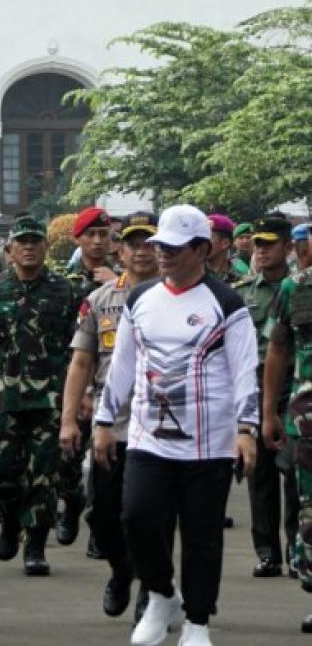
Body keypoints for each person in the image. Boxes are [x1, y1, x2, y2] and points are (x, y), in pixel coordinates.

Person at [94, 204, 258, 646]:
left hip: (210, 445)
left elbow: (246, 370)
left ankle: (197, 622)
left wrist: (246, 429)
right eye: (158, 246)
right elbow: (123, 366)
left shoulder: (226, 304)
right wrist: (104, 421)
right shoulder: (140, 300)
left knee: (202, 536)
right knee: (137, 517)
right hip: (148, 440)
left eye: (173, 247)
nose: (162, 253)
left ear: (202, 250)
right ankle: (162, 594)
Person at [61, 211, 160, 620]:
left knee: (147, 513)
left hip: (160, 425)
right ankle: (122, 571)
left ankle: (150, 591)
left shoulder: (174, 297)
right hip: (111, 423)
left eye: (149, 244)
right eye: (133, 244)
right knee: (104, 516)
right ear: (121, 251)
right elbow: (81, 362)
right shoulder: (102, 300)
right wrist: (69, 419)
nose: (141, 251)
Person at [0, 214, 81, 578]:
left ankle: (35, 545)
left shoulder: (65, 292)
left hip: (50, 399)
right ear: (9, 250)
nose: (29, 248)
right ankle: (9, 521)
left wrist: (78, 396)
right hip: (5, 399)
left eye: (36, 242)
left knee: (43, 475)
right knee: (1, 472)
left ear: (46, 248)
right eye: (22, 242)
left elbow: (78, 349)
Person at [235, 217, 299, 581]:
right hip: (256, 385)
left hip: (295, 386)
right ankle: (266, 552)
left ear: (288, 247)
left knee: (292, 471)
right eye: (257, 243)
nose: (261, 249)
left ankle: (295, 548)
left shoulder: (299, 288)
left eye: (269, 243)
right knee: (259, 473)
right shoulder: (243, 292)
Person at [58, 205, 118, 547]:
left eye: (103, 235)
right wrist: (77, 392)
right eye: (90, 235)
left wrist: (118, 282)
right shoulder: (62, 283)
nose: (97, 242)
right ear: (77, 239)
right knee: (67, 456)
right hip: (73, 382)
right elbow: (67, 345)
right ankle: (70, 502)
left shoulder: (127, 278)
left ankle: (99, 528)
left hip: (110, 386)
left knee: (105, 459)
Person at [262, 234, 312, 634]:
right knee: (308, 505)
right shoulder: (295, 288)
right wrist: (267, 413)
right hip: (307, 417)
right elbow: (277, 350)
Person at [207, 214, 242, 283]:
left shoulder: (240, 280)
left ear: (225, 243)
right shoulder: (192, 277)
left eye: (208, 237)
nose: (202, 243)